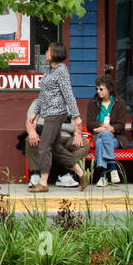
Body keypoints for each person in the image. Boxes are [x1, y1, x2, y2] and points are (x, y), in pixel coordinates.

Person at [28, 42, 84, 193]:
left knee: (44, 146)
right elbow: (43, 94)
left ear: (55, 53)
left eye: (48, 50)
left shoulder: (61, 71)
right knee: (56, 148)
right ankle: (82, 173)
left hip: (56, 113)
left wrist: (76, 116)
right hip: (48, 113)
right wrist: (36, 112)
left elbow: (68, 94)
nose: (46, 52)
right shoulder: (49, 70)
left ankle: (43, 183)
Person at [24, 96, 87, 187]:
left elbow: (77, 122)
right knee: (31, 139)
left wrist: (78, 134)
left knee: (84, 145)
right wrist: (32, 131)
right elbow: (29, 121)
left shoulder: (68, 105)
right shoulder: (38, 103)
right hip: (45, 135)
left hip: (67, 137)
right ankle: (36, 175)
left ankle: (65, 174)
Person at [85, 77, 130, 187]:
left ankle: (102, 176)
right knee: (102, 138)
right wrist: (102, 125)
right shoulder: (93, 102)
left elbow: (121, 125)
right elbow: (90, 124)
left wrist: (110, 128)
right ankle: (113, 169)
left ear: (109, 89)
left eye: (101, 89)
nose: (98, 92)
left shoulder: (120, 103)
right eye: (97, 89)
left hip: (116, 138)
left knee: (102, 141)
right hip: (98, 135)